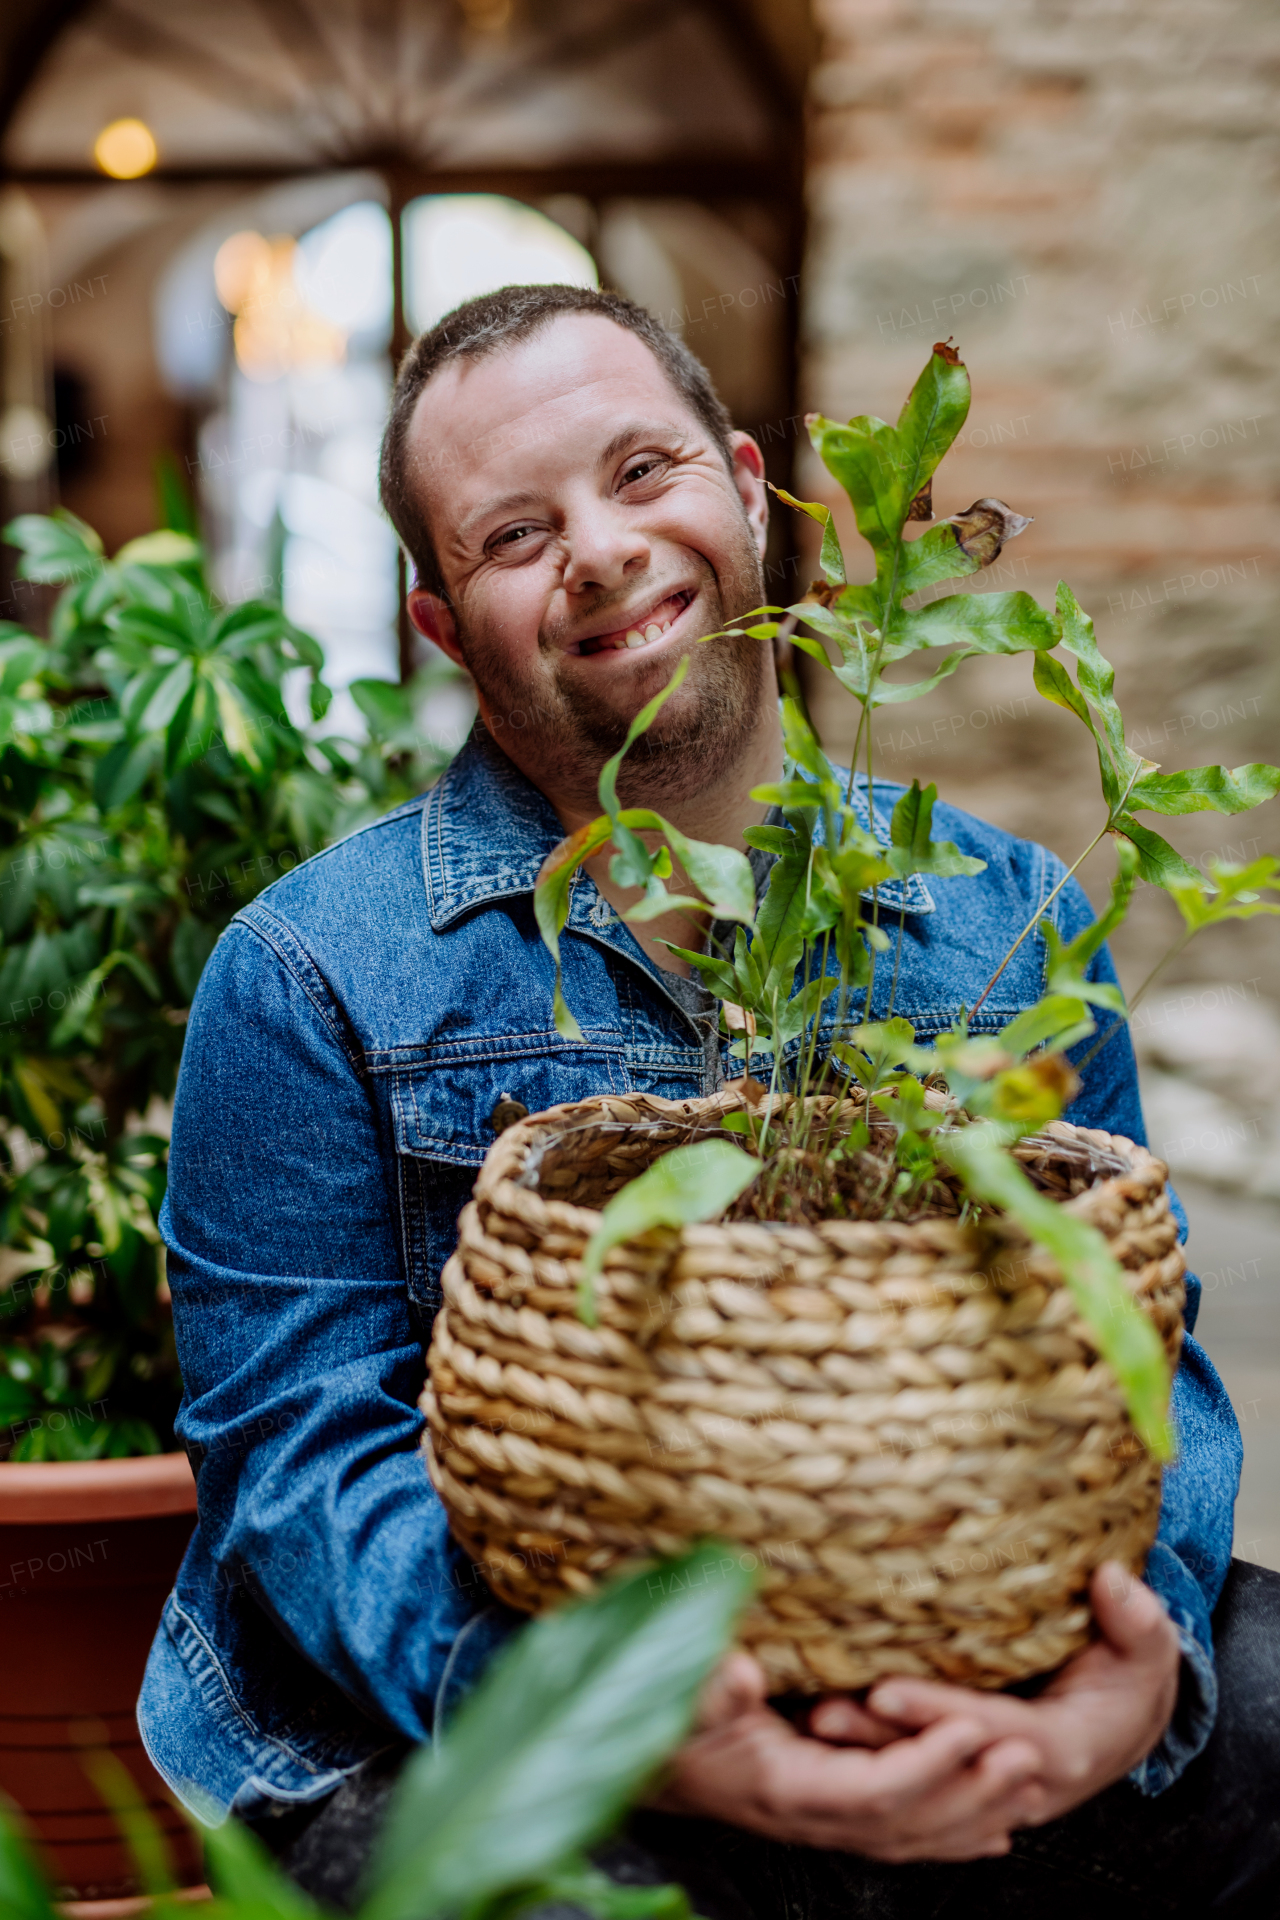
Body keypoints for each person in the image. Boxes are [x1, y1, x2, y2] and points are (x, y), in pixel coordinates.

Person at [138, 286, 1279, 1916]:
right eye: (516, 534)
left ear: (750, 489)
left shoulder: (1007, 912)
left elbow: (1130, 1355)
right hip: (506, 1699)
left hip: (957, 1638)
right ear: (445, 627)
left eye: (643, 473)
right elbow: (304, 1461)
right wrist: (629, 1728)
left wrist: (1134, 1672)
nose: (600, 549)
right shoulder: (312, 973)